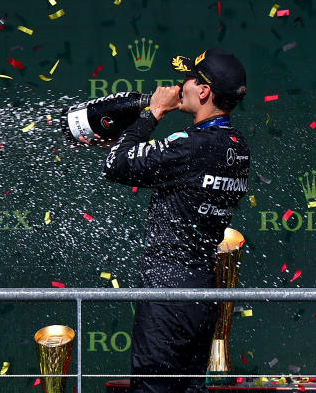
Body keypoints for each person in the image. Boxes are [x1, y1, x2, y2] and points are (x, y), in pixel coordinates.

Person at [102, 47, 250, 393]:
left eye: (189, 78)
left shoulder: (189, 145)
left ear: (203, 92)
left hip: (167, 293)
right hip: (201, 292)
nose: (179, 85)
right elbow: (161, 164)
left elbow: (116, 165)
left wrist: (153, 112)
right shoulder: (238, 146)